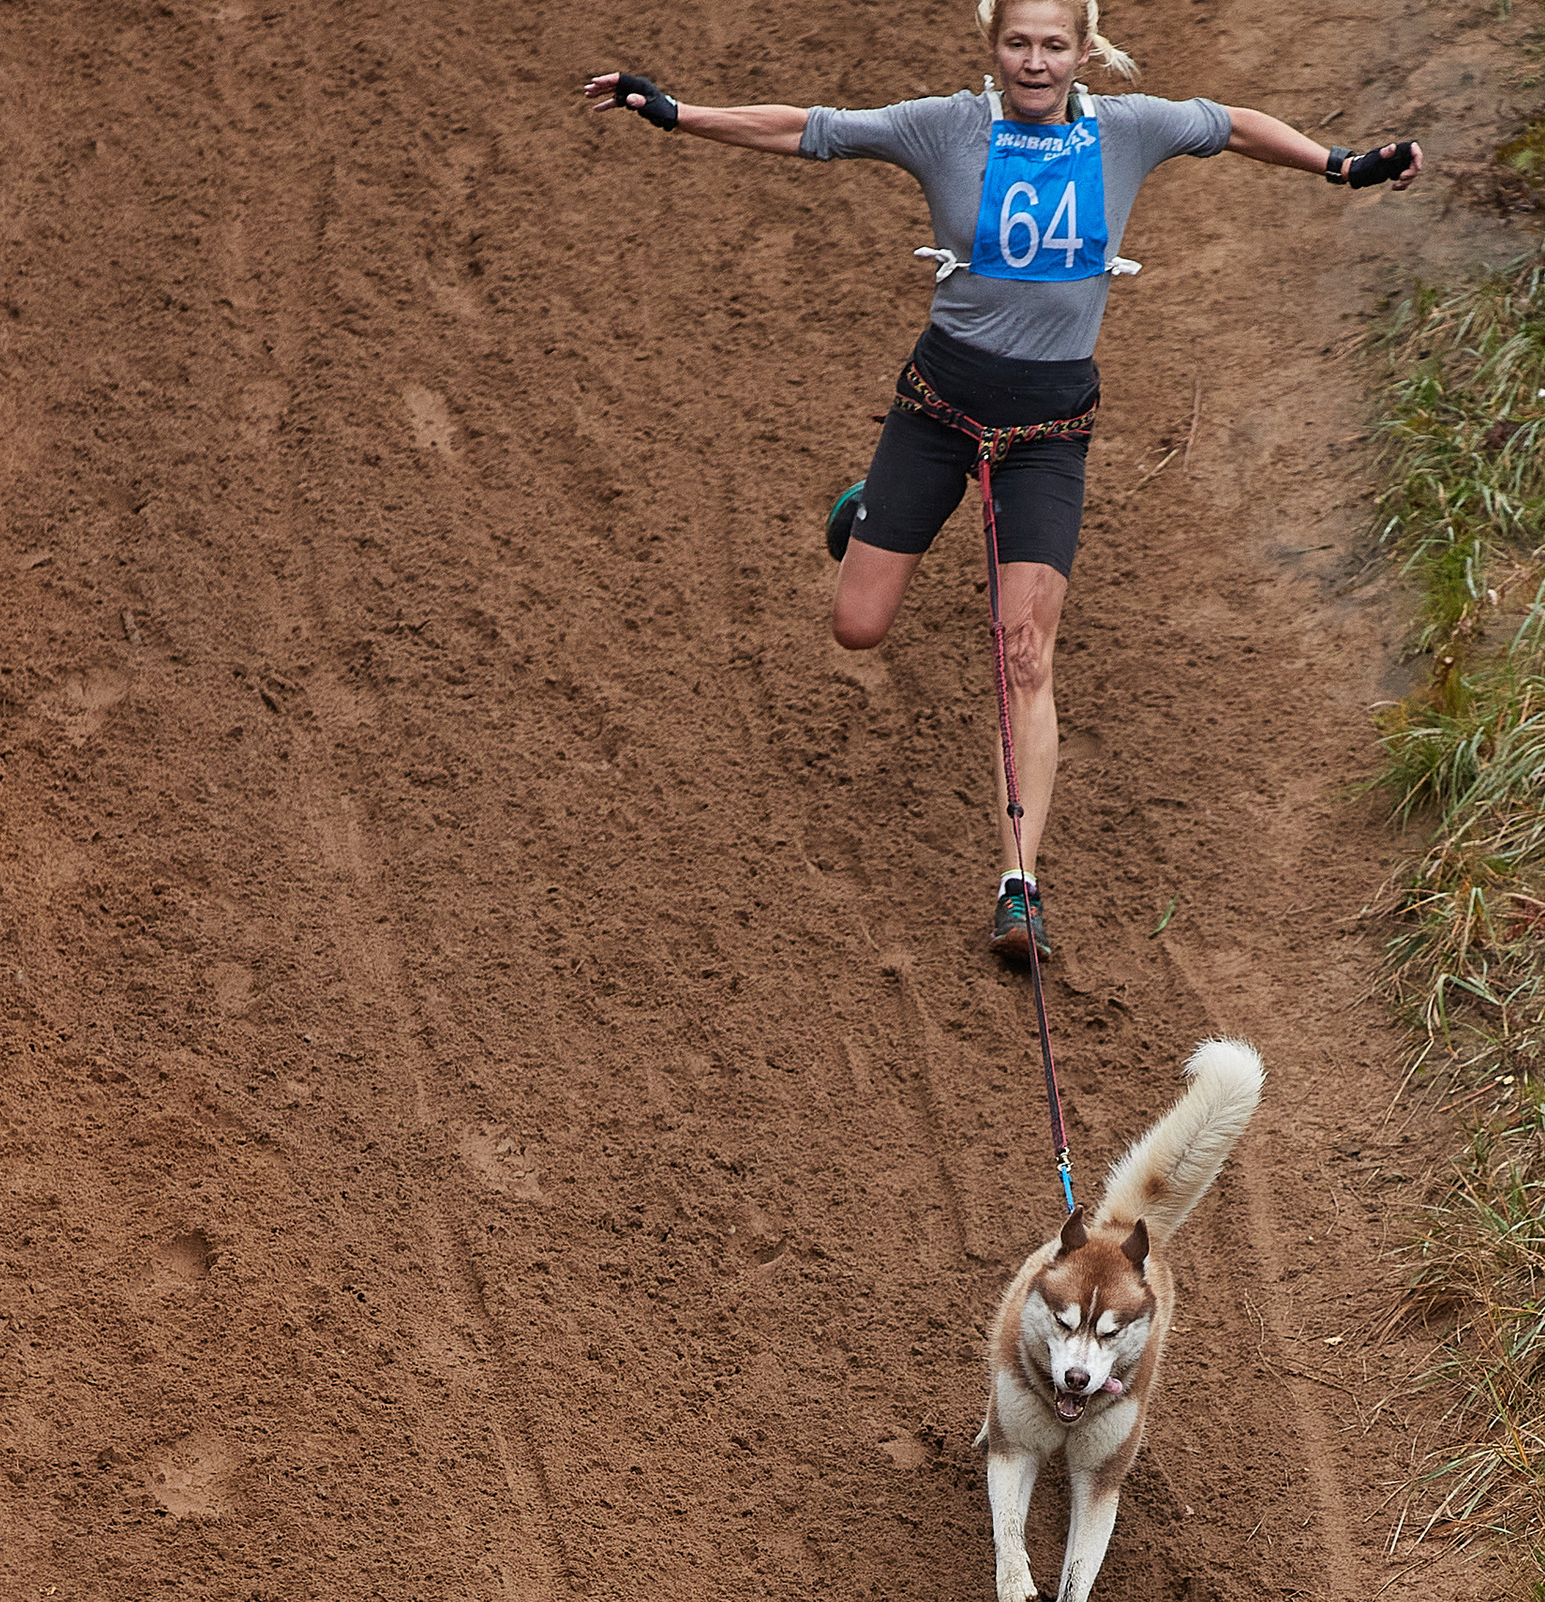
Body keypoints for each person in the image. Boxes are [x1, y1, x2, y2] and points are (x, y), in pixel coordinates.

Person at [587, 2, 1417, 965]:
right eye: (1018, 43)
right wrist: (678, 113)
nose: (1035, 61)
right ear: (993, 50)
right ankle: (868, 512)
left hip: (1051, 433)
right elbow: (814, 130)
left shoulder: (1131, 129)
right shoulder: (947, 125)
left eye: (1054, 44)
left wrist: (1337, 164)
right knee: (857, 626)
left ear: (1083, 52)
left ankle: (1019, 884)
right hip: (938, 410)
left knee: (1025, 652)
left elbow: (1228, 123)